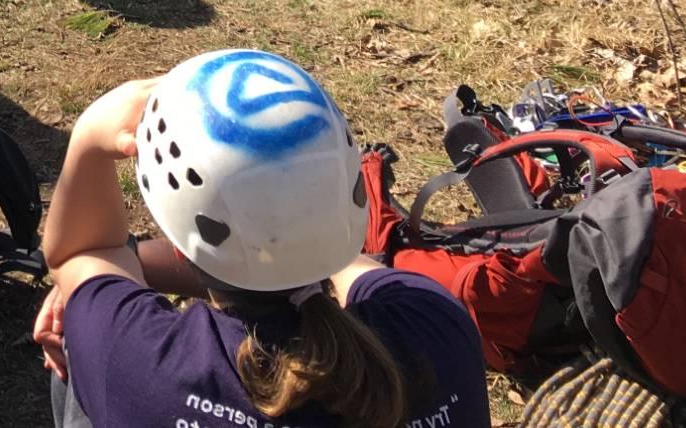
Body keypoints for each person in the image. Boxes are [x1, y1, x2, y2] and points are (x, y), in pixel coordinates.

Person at [31, 49, 491, 428]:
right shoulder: (439, 323)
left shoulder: (146, 363)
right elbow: (345, 268)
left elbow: (83, 251)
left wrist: (90, 137)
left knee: (78, 325)